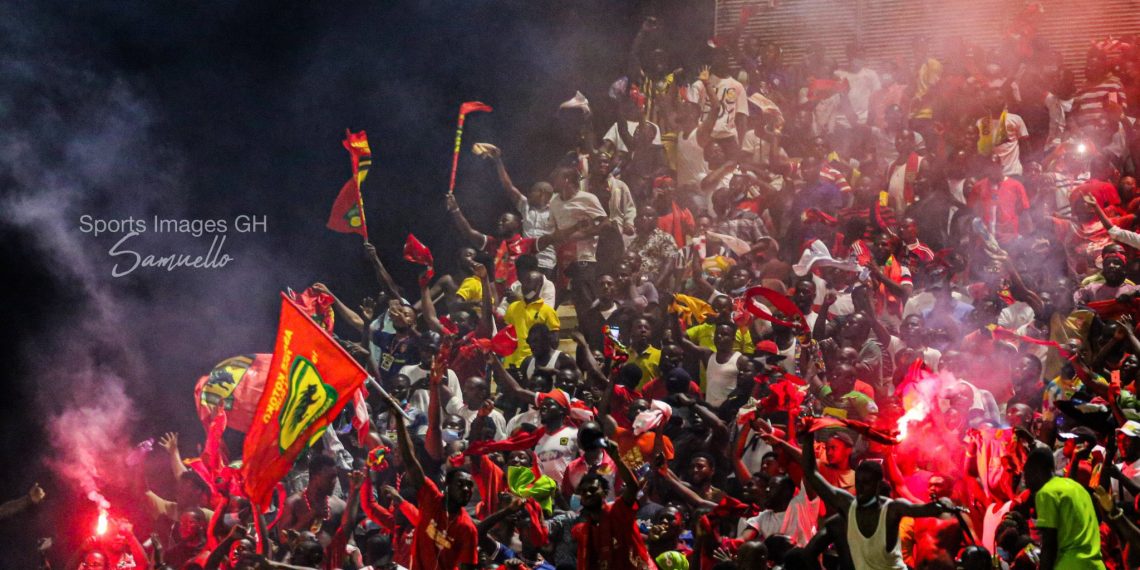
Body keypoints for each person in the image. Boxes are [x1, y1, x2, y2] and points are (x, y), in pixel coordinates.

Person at [1023, 446, 1106, 569]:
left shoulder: (1046, 492)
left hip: (1069, 565)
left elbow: (1049, 544)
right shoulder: (1077, 488)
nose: (1025, 482)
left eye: (1026, 474)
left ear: (1035, 471)